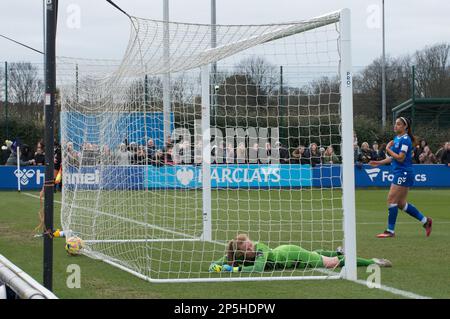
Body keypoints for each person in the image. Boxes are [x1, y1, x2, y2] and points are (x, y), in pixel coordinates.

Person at [369, 117, 432, 238]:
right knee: (401, 203)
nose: (395, 126)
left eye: (398, 124)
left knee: (391, 200)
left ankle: (390, 231)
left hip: (403, 173)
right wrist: (378, 163)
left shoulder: (405, 140)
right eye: (395, 123)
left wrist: (387, 149)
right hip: (401, 172)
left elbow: (400, 157)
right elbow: (393, 158)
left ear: (405, 127)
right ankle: (426, 221)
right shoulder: (397, 139)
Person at [208, 234, 391, 273]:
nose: (249, 246)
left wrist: (233, 270)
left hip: (293, 256)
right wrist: (218, 265)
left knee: (331, 263)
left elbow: (259, 267)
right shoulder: (241, 255)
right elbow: (221, 261)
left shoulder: (260, 247)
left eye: (248, 243)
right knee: (317, 254)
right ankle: (337, 250)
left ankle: (373, 261)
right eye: (245, 248)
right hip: (285, 253)